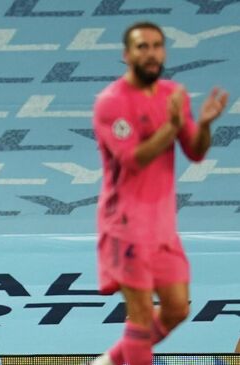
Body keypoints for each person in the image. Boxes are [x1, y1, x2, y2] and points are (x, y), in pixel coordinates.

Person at [91, 21, 228, 365]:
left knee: (178, 308)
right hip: (124, 224)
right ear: (127, 55)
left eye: (156, 46)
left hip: (162, 225)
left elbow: (195, 151)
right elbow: (133, 160)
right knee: (139, 318)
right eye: (142, 47)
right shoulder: (111, 103)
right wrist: (173, 126)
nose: (151, 53)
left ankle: (109, 361)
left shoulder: (173, 94)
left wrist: (206, 124)